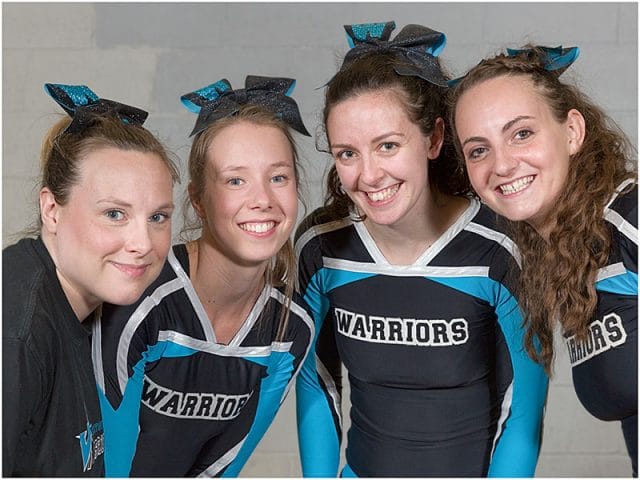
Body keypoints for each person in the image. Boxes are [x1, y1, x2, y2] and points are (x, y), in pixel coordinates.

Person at [295, 21, 548, 477]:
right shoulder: (321, 246)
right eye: (347, 153)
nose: (369, 176)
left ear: (432, 139)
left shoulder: (499, 247)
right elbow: (317, 383)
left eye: (387, 145)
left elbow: (523, 416)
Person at [93, 75, 315, 477]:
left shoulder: (291, 329)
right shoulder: (142, 296)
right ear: (198, 199)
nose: (262, 199)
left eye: (278, 177)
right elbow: (108, 460)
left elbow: (226, 463)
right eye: (235, 180)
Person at [451, 45, 638, 475]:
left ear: (572, 131)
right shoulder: (564, 255)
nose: (501, 164)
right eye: (478, 150)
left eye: (521, 134)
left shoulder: (630, 220)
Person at [2, 83, 178, 476]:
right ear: (52, 210)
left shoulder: (80, 309)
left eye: (158, 217)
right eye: (114, 213)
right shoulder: (17, 330)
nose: (142, 243)